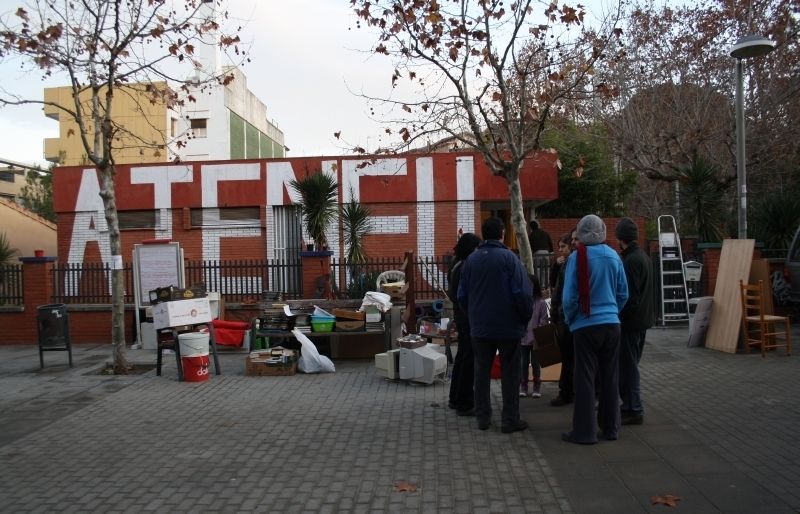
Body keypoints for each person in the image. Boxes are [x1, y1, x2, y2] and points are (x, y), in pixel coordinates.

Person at [458, 217, 533, 433]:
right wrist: (524, 318)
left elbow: (462, 295)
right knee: (511, 374)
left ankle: (483, 418)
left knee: (481, 372)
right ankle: (510, 419)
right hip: (508, 327)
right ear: (502, 233)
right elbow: (522, 293)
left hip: (480, 327)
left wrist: (473, 315)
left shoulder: (471, 261)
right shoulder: (510, 259)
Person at [561, 214, 628, 445]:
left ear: (580, 233)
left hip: (585, 325)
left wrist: (571, 319)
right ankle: (611, 428)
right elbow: (623, 293)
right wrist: (612, 311)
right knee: (610, 377)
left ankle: (584, 432)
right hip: (611, 324)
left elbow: (569, 297)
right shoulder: (613, 255)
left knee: (585, 378)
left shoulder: (576, 258)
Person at [615, 217, 654, 426]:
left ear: (620, 238)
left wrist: (619, 317)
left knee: (629, 367)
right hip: (643, 320)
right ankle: (630, 406)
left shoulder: (630, 261)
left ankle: (634, 408)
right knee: (631, 365)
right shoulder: (643, 257)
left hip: (631, 323)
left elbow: (630, 297)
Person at [447, 232, 482, 416]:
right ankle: (464, 402)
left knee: (462, 356)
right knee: (468, 358)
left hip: (461, 315)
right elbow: (463, 294)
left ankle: (455, 397)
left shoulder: (456, 263)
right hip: (466, 316)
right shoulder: (464, 266)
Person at [549, 230, 577, 407]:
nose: (560, 250)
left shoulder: (572, 263)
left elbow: (562, 292)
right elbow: (554, 284)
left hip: (567, 317)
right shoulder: (562, 265)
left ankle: (567, 391)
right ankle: (568, 390)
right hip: (563, 315)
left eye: (563, 246)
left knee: (569, 357)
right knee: (567, 356)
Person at [520, 274, 548, 398]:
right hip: (523, 338)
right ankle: (523, 386)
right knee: (523, 363)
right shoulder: (522, 301)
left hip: (536, 339)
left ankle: (537, 386)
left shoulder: (541, 303)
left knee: (536, 364)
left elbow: (544, 320)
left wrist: (538, 333)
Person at [529, 220, 553, 286]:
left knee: (538, 269)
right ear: (538, 226)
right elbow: (550, 242)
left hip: (537, 253)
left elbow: (530, 246)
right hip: (546, 252)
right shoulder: (545, 233)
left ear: (531, 228)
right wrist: (551, 251)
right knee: (546, 268)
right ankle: (547, 284)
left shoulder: (531, 235)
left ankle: (540, 285)